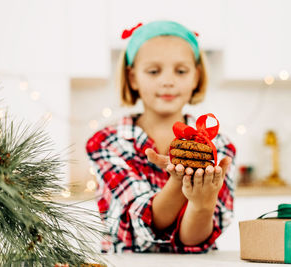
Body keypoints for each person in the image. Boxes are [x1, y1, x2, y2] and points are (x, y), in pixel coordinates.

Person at [86, 20, 236, 253]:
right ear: (133, 77)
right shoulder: (107, 142)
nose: (168, 81)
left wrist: (202, 205)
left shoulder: (218, 146)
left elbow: (193, 241)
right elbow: (141, 222)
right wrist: (178, 180)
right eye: (154, 71)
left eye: (181, 71)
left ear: (196, 76)